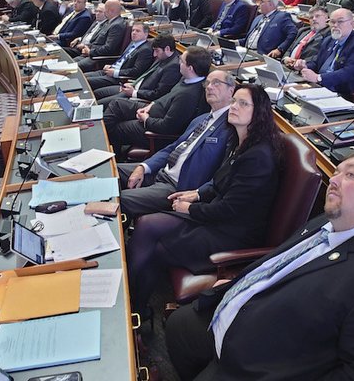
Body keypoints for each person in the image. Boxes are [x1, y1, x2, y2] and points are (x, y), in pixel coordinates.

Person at [165, 152, 354, 381]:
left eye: (350, 175)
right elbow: (279, 264)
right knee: (177, 325)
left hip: (258, 364)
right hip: (232, 317)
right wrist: (237, 285)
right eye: (336, 172)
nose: (334, 179)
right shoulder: (325, 222)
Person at [126, 83, 281, 317]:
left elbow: (230, 209)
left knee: (156, 248)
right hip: (215, 216)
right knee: (147, 224)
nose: (234, 107)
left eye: (243, 103)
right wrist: (197, 194)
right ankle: (135, 306)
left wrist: (191, 208)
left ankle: (136, 311)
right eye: (235, 101)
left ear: (257, 112)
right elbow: (220, 183)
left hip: (231, 233)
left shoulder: (258, 157)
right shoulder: (238, 141)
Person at [118, 70, 236, 218]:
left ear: (231, 90)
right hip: (160, 171)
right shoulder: (202, 119)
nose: (209, 87)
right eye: (207, 83)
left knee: (120, 200)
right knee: (109, 172)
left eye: (216, 83)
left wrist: (197, 195)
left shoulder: (231, 127)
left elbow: (222, 175)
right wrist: (144, 167)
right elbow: (172, 148)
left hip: (177, 186)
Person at [103, 46, 211, 150]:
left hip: (155, 131)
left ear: (190, 68)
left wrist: (146, 119)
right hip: (152, 110)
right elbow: (168, 95)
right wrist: (151, 105)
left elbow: (167, 127)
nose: (179, 63)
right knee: (116, 104)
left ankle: (108, 154)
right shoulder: (186, 78)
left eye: (182, 61)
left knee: (116, 129)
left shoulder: (188, 96)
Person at [294, 8, 354, 97]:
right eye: (332, 22)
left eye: (340, 22)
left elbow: (349, 73)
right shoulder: (329, 40)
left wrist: (318, 78)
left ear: (352, 23)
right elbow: (318, 63)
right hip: (320, 87)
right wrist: (305, 66)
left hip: (344, 93)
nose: (335, 25)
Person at [85, 22, 153, 91]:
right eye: (133, 30)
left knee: (85, 81)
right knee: (82, 76)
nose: (134, 33)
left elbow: (136, 71)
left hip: (119, 78)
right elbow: (122, 60)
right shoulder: (133, 43)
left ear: (146, 34)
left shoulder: (146, 50)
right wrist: (111, 65)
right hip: (110, 70)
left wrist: (116, 72)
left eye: (138, 31)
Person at [75, 0, 126, 71]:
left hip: (99, 59)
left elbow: (109, 49)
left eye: (105, 9)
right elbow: (98, 41)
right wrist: (87, 47)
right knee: (68, 62)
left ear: (111, 11)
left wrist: (90, 52)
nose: (104, 11)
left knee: (72, 68)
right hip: (92, 54)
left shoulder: (117, 25)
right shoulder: (109, 22)